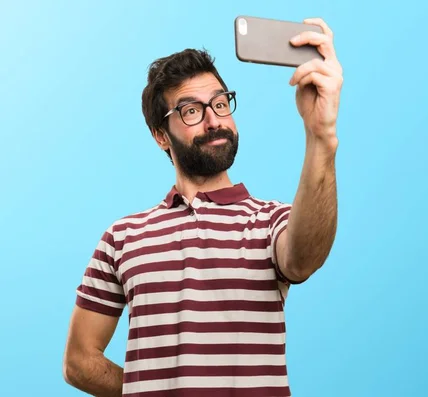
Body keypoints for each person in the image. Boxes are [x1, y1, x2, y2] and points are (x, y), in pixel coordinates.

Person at [62, 18, 343, 397]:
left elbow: (303, 258)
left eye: (220, 104)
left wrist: (321, 136)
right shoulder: (121, 237)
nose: (214, 121)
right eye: (191, 111)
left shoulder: (270, 221)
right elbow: (79, 361)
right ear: (161, 135)